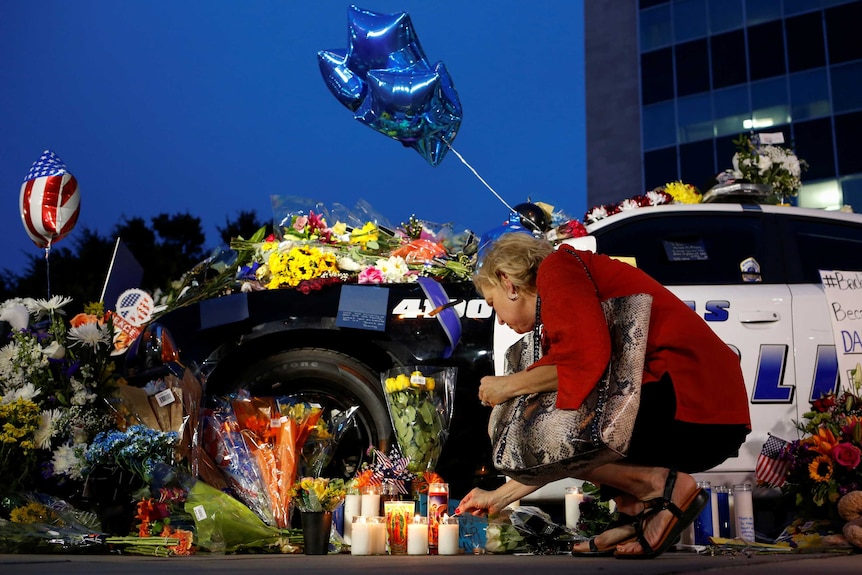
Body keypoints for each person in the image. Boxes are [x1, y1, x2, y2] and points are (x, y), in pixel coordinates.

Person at [456, 233, 751, 559]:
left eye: (492, 304)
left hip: (692, 401)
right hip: (706, 411)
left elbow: (584, 363)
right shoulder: (563, 293)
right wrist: (499, 497)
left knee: (545, 419)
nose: (498, 318)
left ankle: (659, 486)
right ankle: (637, 515)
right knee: (554, 422)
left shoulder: (558, 268)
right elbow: (556, 445)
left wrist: (509, 385)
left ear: (507, 282)